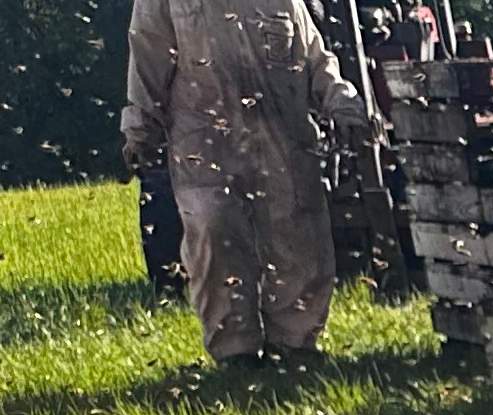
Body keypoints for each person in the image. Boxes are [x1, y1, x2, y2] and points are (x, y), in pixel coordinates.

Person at [119, 0, 378, 366]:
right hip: (202, 138)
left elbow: (314, 58)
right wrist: (139, 128)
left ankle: (295, 345)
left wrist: (343, 102)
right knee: (214, 229)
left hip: (281, 135)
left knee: (296, 236)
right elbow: (147, 57)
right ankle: (236, 352)